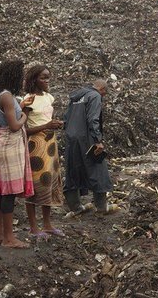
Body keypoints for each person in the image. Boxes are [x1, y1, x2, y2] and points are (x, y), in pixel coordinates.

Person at [0, 60, 33, 249]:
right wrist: (24, 115)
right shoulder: (7, 96)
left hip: (0, 142)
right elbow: (14, 126)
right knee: (9, 193)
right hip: (8, 144)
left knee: (0, 191)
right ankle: (9, 238)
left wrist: (19, 107)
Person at [21, 63, 64, 238]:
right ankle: (33, 227)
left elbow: (46, 119)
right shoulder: (28, 100)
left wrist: (55, 124)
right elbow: (22, 129)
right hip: (35, 146)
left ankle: (47, 224)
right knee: (35, 184)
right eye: (43, 77)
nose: (47, 80)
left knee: (50, 181)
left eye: (48, 77)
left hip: (50, 144)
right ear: (34, 79)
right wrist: (46, 125)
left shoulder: (48, 97)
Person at [62, 80, 115, 216]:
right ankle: (101, 207)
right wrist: (97, 140)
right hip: (87, 138)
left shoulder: (76, 96)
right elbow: (93, 119)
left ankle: (75, 207)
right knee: (98, 168)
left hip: (71, 138)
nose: (103, 96)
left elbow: (66, 118)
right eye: (104, 93)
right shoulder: (95, 96)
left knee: (73, 169)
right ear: (101, 89)